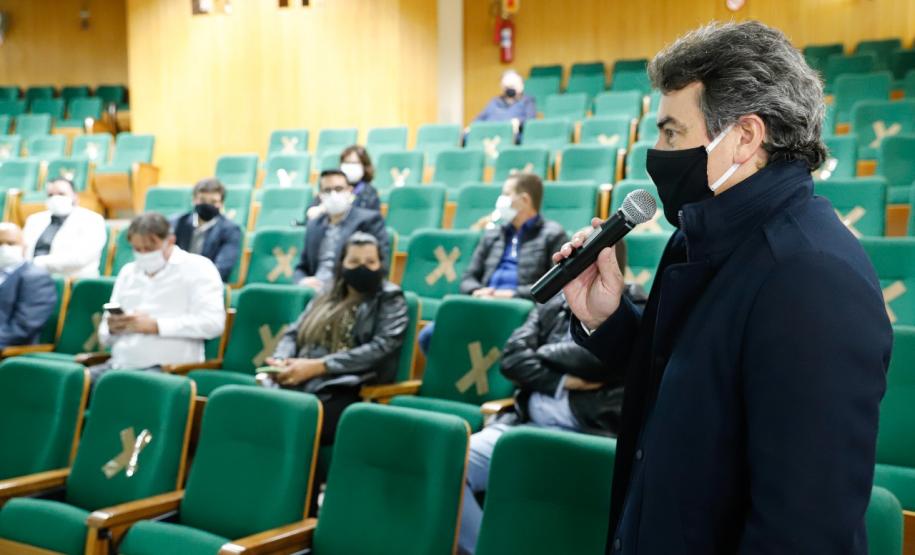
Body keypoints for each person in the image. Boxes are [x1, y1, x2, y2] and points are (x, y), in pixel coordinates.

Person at [555, 21, 891, 554]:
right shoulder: (699, 235)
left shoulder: (812, 276)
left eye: (671, 133)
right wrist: (607, 318)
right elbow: (693, 382)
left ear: (745, 136)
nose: (657, 151)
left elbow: (802, 530)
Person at [457, 243, 645, 555]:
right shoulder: (552, 303)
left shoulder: (634, 301)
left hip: (587, 434)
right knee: (453, 462)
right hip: (523, 426)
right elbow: (511, 357)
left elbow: (599, 357)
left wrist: (542, 353)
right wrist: (562, 380)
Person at [266, 232, 408, 446]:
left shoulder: (389, 296)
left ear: (381, 264)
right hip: (302, 377)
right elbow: (294, 332)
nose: (362, 268)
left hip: (347, 386)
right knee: (257, 411)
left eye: (370, 262)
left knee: (291, 425)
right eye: (354, 261)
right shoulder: (327, 292)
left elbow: (382, 346)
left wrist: (320, 366)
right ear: (342, 264)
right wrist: (280, 359)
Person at [418, 173, 567, 352]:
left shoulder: (552, 234)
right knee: (429, 335)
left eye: (506, 194)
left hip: (521, 309)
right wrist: (477, 291)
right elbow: (468, 277)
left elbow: (554, 287)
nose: (501, 200)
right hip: (484, 303)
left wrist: (511, 294)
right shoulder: (493, 234)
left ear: (525, 200)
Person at [94, 213, 225, 382]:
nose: (143, 254)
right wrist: (113, 328)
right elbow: (104, 335)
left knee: (125, 388)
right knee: (76, 382)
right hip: (119, 364)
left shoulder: (198, 268)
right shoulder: (128, 272)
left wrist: (156, 326)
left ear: (170, 241)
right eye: (137, 249)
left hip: (167, 369)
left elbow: (213, 323)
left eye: (149, 249)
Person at [293, 169, 389, 292]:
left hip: (349, 290)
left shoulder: (369, 220)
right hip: (314, 289)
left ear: (350, 191)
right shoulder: (313, 225)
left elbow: (380, 265)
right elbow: (302, 266)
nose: (333, 195)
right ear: (320, 195)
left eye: (338, 189)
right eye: (327, 190)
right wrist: (302, 281)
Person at [23, 177, 107, 278]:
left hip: (73, 279)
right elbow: (24, 251)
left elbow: (81, 259)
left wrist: (40, 262)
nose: (55, 198)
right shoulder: (34, 219)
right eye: (50, 195)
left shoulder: (92, 219)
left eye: (61, 194)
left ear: (75, 197)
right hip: (31, 276)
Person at [171, 177, 242, 282]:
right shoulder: (177, 222)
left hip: (206, 283)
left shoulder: (230, 230)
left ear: (221, 204)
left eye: (213, 202)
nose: (207, 205)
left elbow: (222, 267)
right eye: (202, 200)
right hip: (175, 280)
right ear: (194, 200)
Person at [0, 223, 57, 349]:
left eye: (11, 243)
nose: (4, 248)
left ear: (24, 247)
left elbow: (23, 328)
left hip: (12, 348)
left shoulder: (36, 277)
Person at [308, 146, 381, 220]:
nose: (350, 167)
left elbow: (372, 219)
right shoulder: (330, 185)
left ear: (364, 166)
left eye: (355, 163)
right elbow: (311, 213)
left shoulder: (370, 192)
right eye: (346, 162)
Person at [473, 70, 537, 135]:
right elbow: (478, 120)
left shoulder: (527, 101)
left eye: (513, 85)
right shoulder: (494, 101)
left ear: (521, 86)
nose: (510, 88)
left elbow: (530, 120)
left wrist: (519, 121)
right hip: (490, 134)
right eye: (507, 86)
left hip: (513, 136)